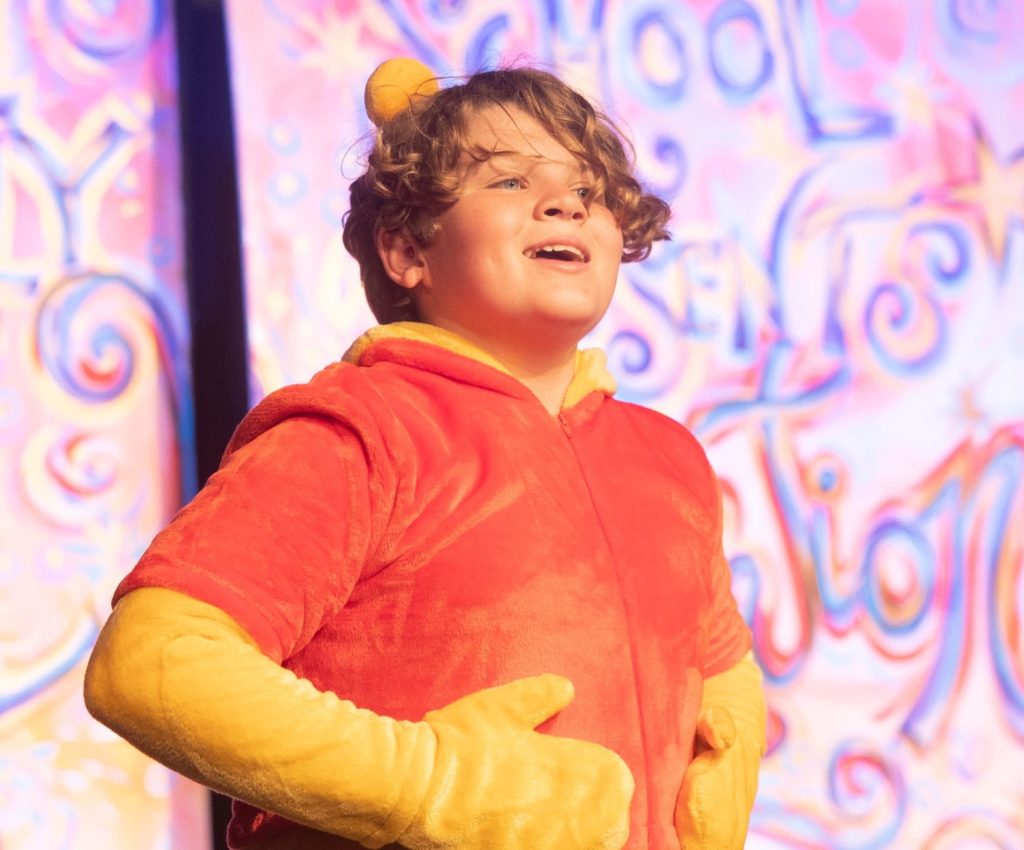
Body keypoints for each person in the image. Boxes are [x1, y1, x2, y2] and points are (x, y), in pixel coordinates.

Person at [84, 58, 766, 850]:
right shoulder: (360, 429)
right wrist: (433, 781)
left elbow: (720, 669)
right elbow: (152, 662)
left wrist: (728, 762)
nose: (565, 205)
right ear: (408, 249)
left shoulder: (668, 457)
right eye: (510, 182)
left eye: (589, 191)